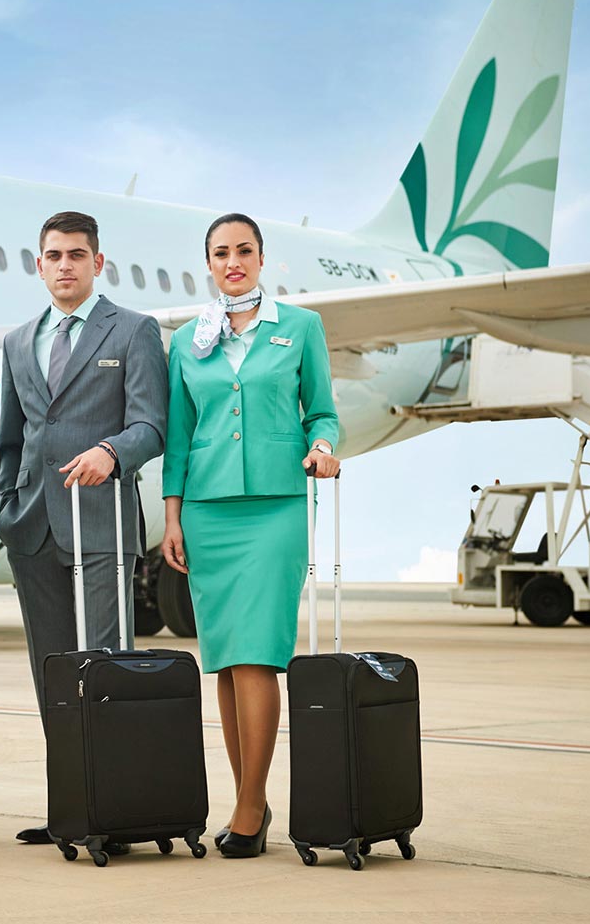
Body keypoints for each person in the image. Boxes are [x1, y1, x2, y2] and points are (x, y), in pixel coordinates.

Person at [160, 212, 340, 859]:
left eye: (243, 250)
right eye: (220, 252)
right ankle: (250, 801)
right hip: (207, 510)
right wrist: (172, 516)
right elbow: (179, 434)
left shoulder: (301, 327)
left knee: (259, 654)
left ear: (262, 258)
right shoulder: (189, 340)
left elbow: (322, 411)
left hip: (275, 507)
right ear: (208, 263)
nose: (232, 262)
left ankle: (248, 804)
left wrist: (323, 447)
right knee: (225, 660)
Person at [0, 210, 167, 848]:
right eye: (53, 255)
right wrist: (9, 503)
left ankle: (110, 813)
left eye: (75, 255)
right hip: (33, 527)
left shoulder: (134, 330)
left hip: (101, 523)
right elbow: (11, 438)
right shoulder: (18, 341)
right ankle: (69, 809)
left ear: (98, 263)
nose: (64, 265)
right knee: (54, 675)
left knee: (104, 667)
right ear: (38, 265)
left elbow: (151, 426)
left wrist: (111, 452)